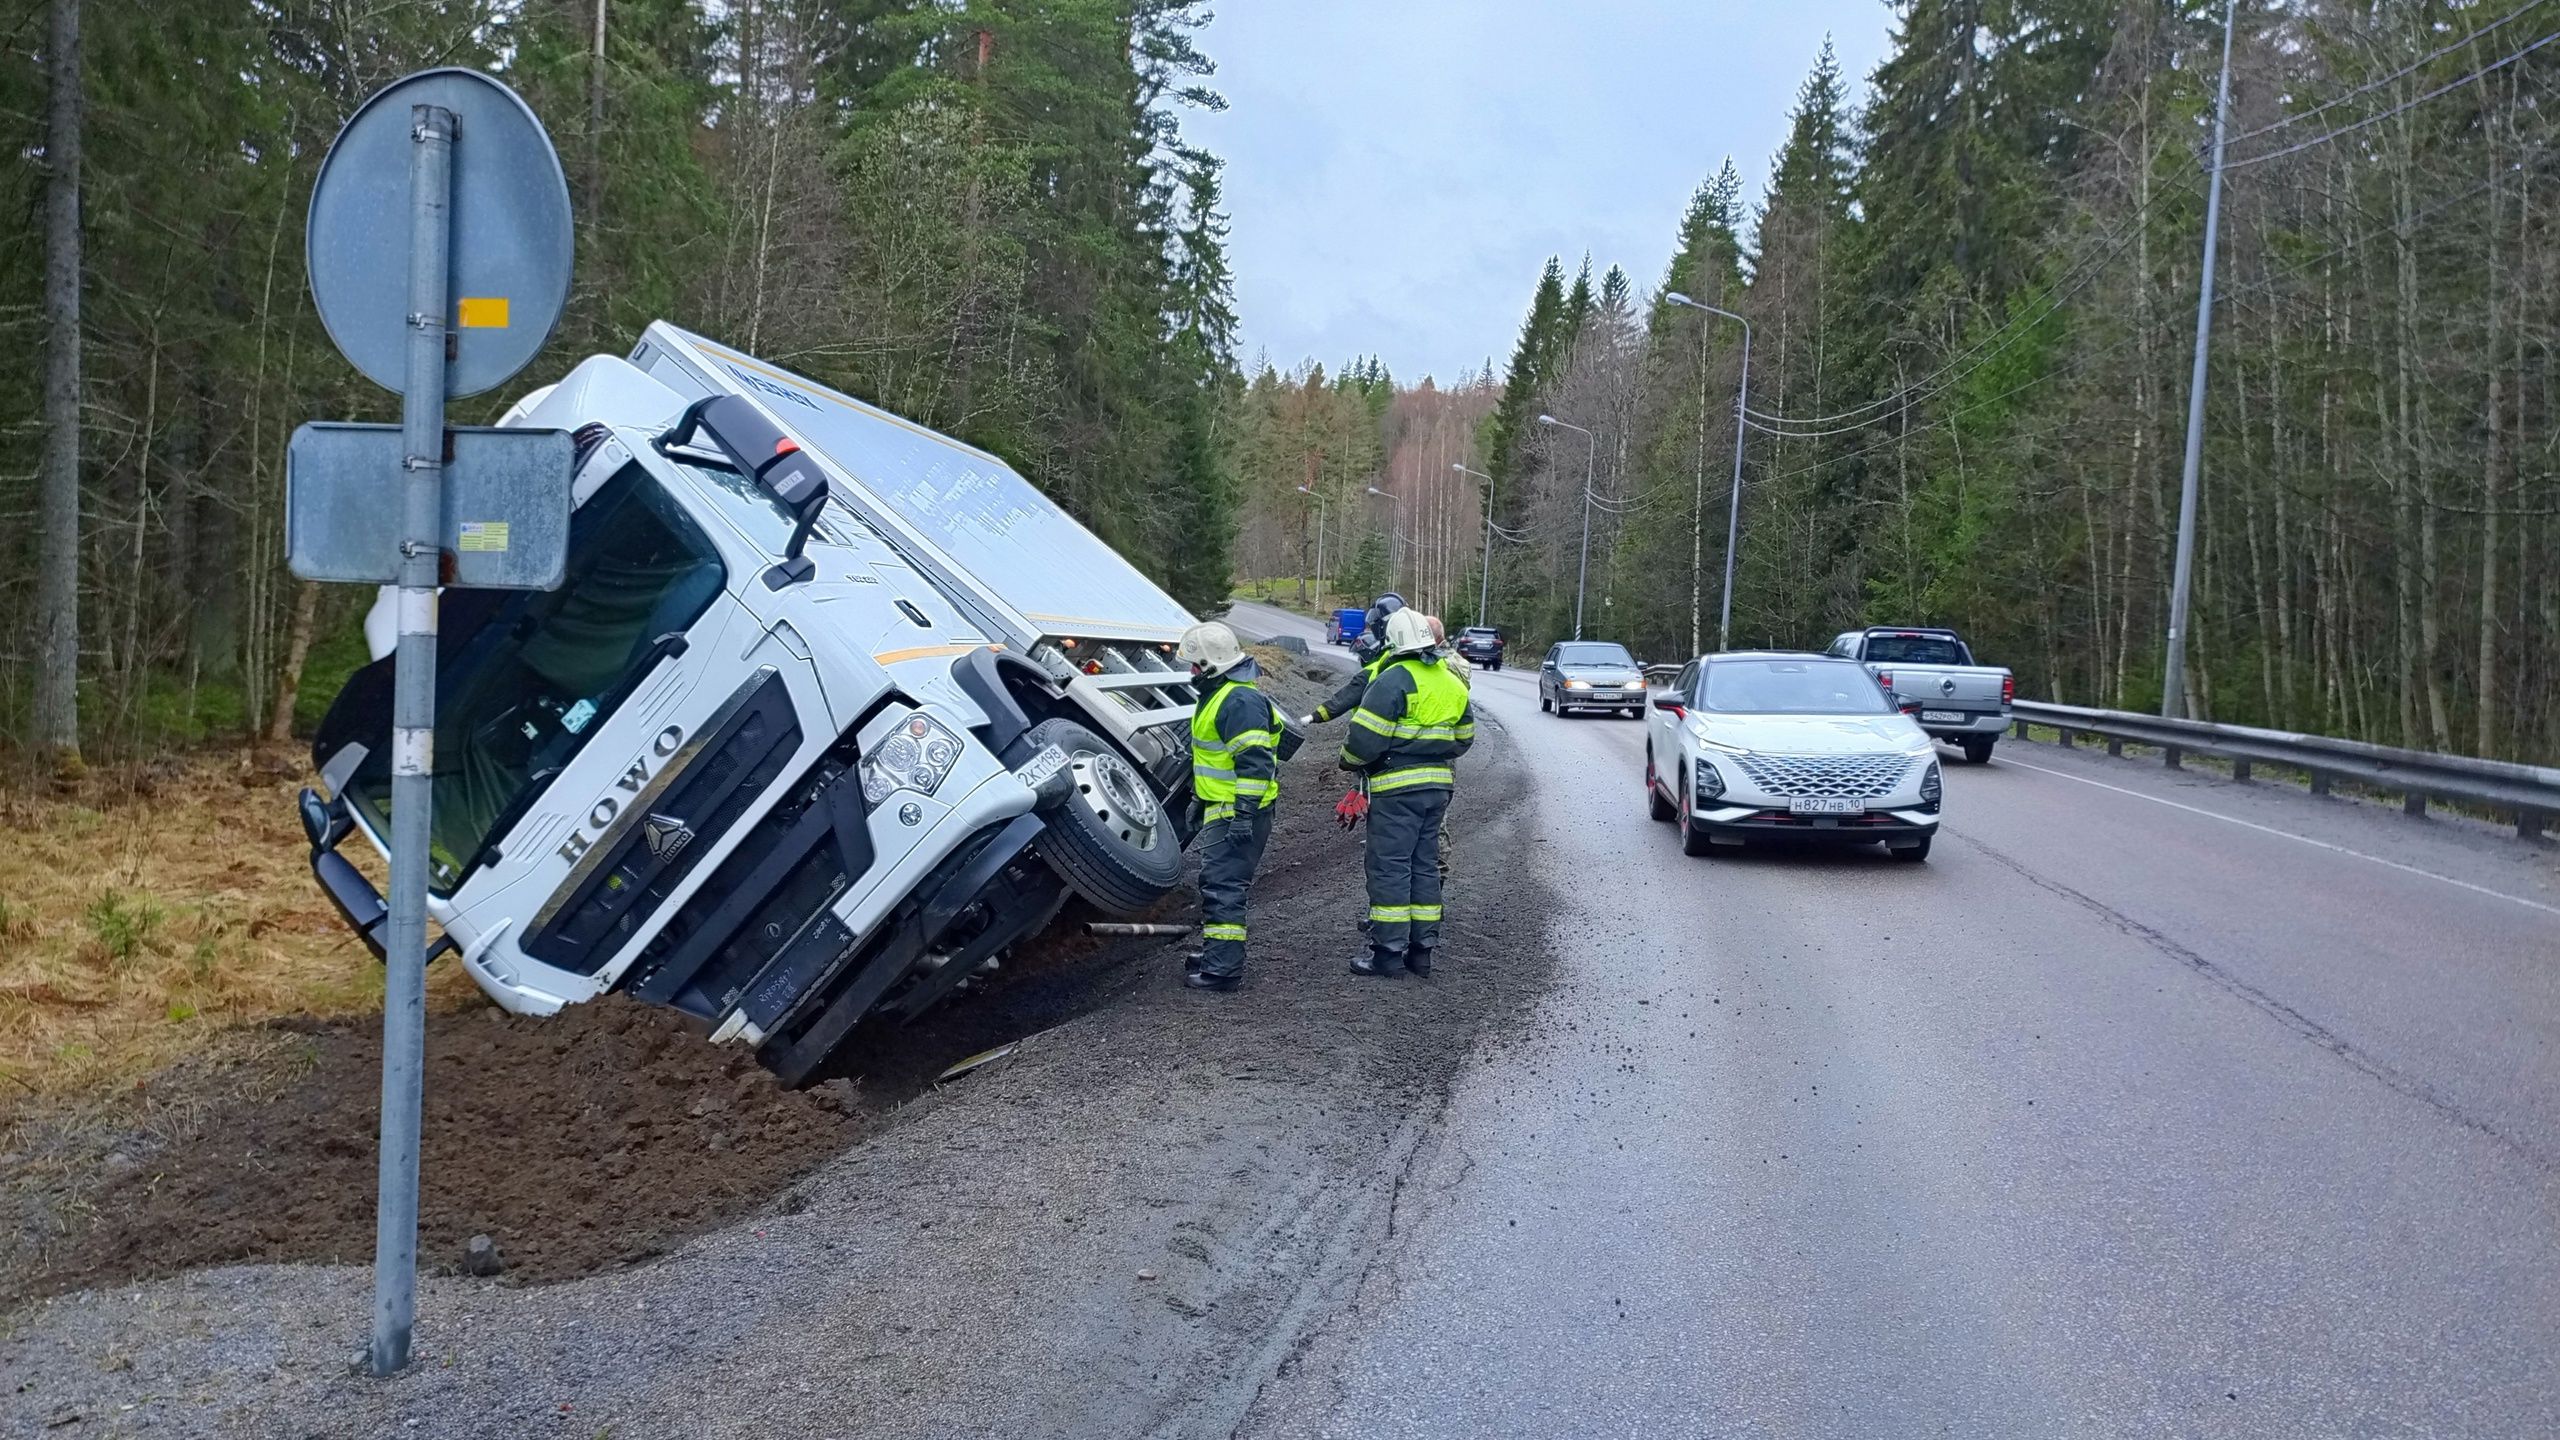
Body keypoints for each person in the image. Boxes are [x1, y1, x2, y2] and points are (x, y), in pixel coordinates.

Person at [1339, 607, 1473, 978]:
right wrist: (1431, 752)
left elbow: (1362, 742)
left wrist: (1350, 762)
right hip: (1438, 788)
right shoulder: (1450, 679)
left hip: (1396, 790)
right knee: (1424, 866)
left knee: (1390, 867)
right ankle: (1421, 952)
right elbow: (1464, 738)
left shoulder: (1392, 679)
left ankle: (1387, 954)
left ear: (1392, 642)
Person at [1177, 621, 1281, 992]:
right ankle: (1218, 953)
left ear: (1212, 665)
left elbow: (1255, 765)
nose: (1191, 672)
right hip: (1225, 807)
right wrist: (1199, 798)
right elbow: (1214, 759)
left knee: (1223, 886)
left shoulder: (1238, 702)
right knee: (1218, 882)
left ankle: (1222, 970)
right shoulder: (1225, 696)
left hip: (1237, 811)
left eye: (1195, 665)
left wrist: (1243, 815)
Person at [1303, 592, 1405, 727]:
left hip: (1375, 732)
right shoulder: (1421, 660)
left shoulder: (1372, 672)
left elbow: (1342, 700)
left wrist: (1313, 717)